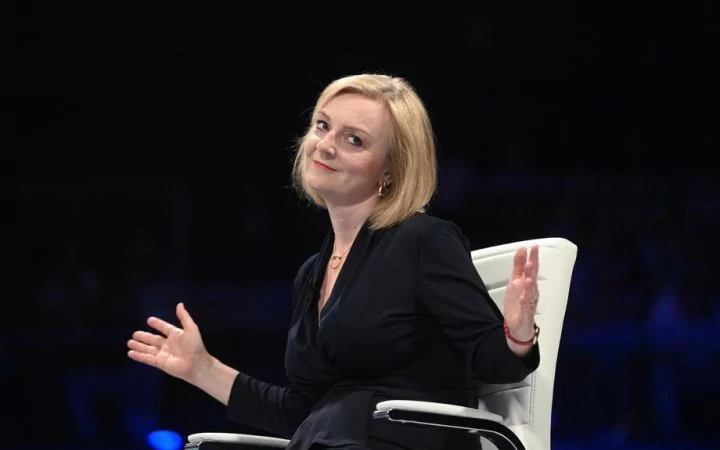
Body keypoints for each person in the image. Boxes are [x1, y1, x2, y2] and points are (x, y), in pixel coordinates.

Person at [127, 73, 541, 450]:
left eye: (354, 140)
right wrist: (202, 369)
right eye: (322, 126)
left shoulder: (423, 241)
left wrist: (519, 335)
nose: (325, 144)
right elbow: (302, 415)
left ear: (390, 171)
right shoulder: (312, 272)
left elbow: (494, 363)